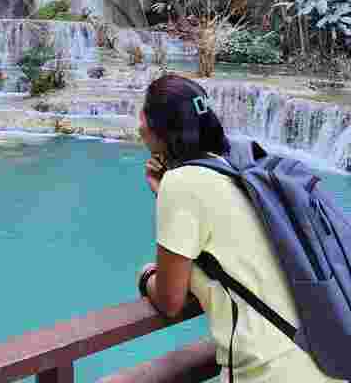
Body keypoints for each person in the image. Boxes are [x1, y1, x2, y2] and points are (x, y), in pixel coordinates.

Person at [127, 73, 344, 383]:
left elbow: (169, 300)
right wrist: (165, 193)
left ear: (159, 127)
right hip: (319, 360)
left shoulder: (181, 183)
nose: (139, 124)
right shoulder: (237, 169)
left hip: (269, 373)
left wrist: (147, 276)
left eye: (144, 113)